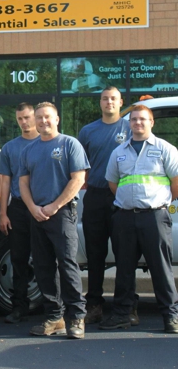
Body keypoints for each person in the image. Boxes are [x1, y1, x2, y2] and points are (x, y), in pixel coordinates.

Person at [100, 105, 178, 333]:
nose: (138, 123)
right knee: (123, 269)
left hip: (154, 216)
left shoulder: (165, 149)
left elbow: (176, 183)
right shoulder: (119, 152)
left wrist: (159, 202)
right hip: (125, 217)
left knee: (161, 269)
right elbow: (113, 183)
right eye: (134, 119)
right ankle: (122, 314)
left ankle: (171, 316)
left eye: (143, 119)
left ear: (152, 122)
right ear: (129, 123)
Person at [19, 102, 89, 340]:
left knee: (67, 265)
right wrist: (32, 208)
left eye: (47, 117)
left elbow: (78, 179)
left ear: (57, 119)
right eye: (38, 118)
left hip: (62, 214)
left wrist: (54, 206)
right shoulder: (29, 150)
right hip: (37, 215)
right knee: (43, 267)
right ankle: (54, 317)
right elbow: (23, 183)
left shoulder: (70, 144)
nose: (43, 121)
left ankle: (76, 318)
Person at [78, 86, 136, 325]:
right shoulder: (88, 131)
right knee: (95, 255)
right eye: (105, 99)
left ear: (121, 102)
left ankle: (128, 307)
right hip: (95, 197)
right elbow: (81, 166)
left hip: (123, 198)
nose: (109, 102)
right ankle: (94, 306)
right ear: (100, 103)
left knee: (126, 254)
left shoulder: (131, 127)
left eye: (113, 98)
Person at [0, 103, 39, 324]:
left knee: (46, 259)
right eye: (20, 118)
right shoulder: (10, 148)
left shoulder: (47, 143)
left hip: (43, 208)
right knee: (18, 259)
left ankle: (53, 309)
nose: (24, 122)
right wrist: (3, 213)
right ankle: (18, 307)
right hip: (18, 208)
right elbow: (4, 182)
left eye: (28, 117)